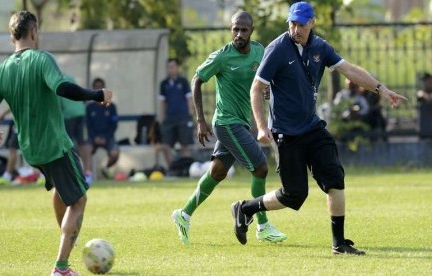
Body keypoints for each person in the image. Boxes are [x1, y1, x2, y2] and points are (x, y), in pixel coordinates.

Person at [231, 1, 406, 255]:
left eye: (301, 24)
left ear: (312, 23)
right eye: (292, 23)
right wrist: (260, 127)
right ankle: (246, 208)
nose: (296, 29)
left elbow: (349, 70)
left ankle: (339, 243)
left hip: (312, 128)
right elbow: (256, 88)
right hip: (285, 133)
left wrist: (382, 89)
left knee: (335, 178)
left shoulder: (319, 47)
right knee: (294, 195)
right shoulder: (277, 49)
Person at [0, 11, 112, 276]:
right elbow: (62, 88)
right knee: (80, 199)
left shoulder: (1, 70)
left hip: (31, 150)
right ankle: (61, 267)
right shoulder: (42, 59)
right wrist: (97, 95)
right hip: (55, 145)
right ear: (34, 32)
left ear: (11, 37)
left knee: (63, 192)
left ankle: (66, 237)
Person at [171, 11, 286, 245]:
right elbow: (197, 80)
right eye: (235, 29)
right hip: (226, 123)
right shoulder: (222, 57)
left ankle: (183, 214)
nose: (239, 34)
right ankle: (263, 226)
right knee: (261, 168)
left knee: (217, 173)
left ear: (251, 31)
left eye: (244, 30)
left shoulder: (259, 51)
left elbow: (264, 82)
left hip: (241, 122)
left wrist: (267, 91)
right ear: (230, 30)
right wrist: (200, 120)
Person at [158, 58, 195, 168]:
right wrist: (162, 118)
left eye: (173, 66)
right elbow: (162, 102)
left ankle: (185, 169)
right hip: (169, 119)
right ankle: (172, 168)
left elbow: (189, 99)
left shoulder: (183, 82)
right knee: (165, 146)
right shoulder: (163, 84)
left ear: (177, 68)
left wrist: (190, 114)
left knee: (185, 145)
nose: (171, 69)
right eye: (169, 67)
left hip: (183, 118)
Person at [60, 75, 93, 183]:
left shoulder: (53, 80)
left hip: (69, 116)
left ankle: (72, 174)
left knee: (68, 145)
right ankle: (88, 173)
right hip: (81, 112)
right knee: (82, 143)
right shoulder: (70, 77)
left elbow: (55, 104)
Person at [86, 77, 119, 178]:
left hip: (108, 137)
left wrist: (106, 137)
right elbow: (88, 126)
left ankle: (105, 169)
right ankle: (88, 175)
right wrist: (95, 137)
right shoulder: (89, 107)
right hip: (93, 137)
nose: (98, 89)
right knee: (86, 150)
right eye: (96, 87)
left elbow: (114, 125)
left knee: (115, 153)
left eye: (100, 87)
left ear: (104, 89)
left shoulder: (111, 106)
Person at [0, 109, 20, 185]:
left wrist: (3, 114)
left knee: (13, 149)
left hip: (24, 124)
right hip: (20, 124)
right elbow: (13, 103)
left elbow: (13, 103)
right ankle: (7, 176)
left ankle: (7, 176)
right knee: (13, 149)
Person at [417, 72, 432, 138]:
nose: (425, 83)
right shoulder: (421, 92)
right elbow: (420, 94)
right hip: (424, 128)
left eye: (427, 81)